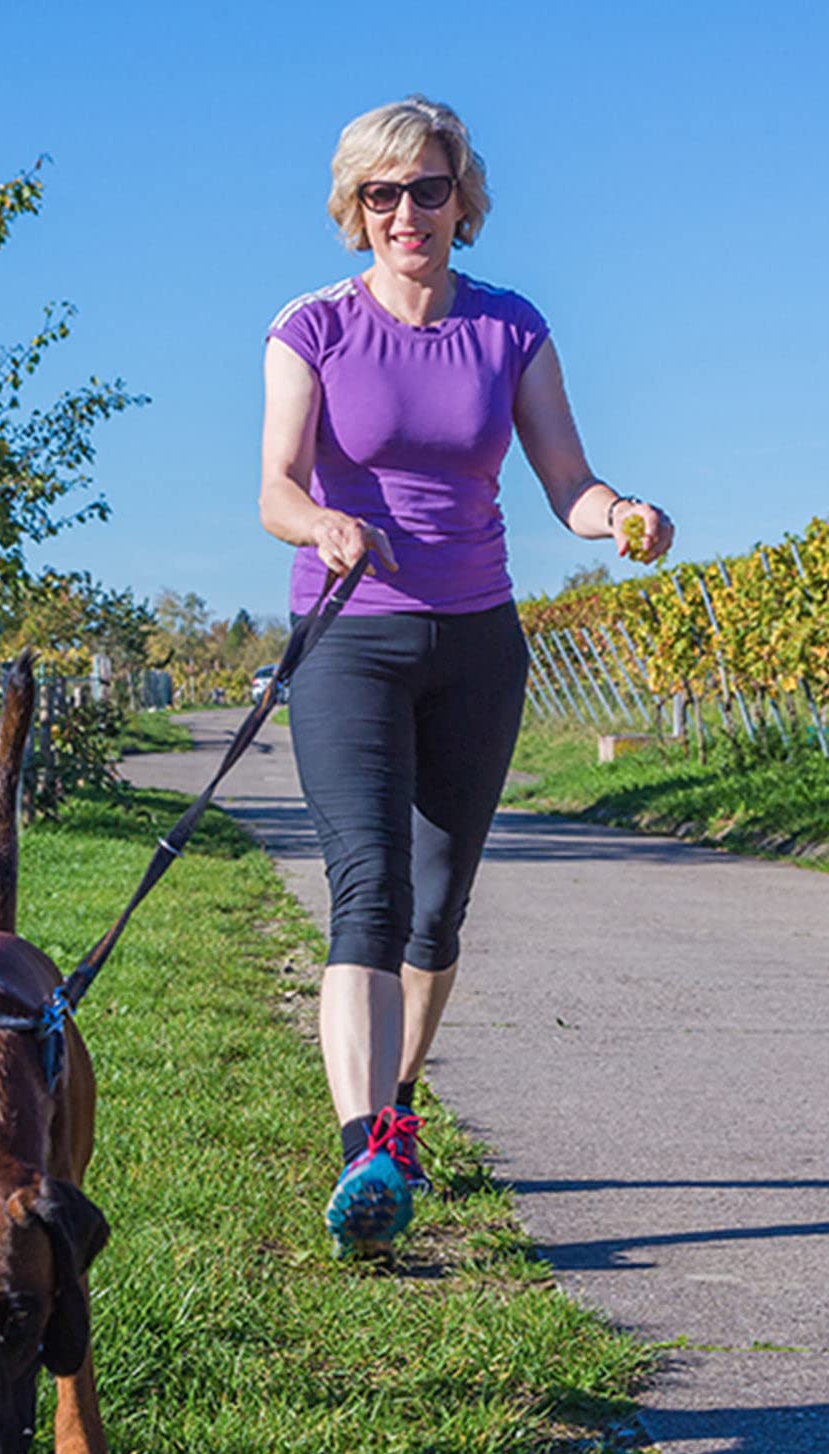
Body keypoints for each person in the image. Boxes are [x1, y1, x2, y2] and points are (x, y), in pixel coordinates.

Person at [258, 94, 674, 1260]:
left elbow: (567, 481)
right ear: (354, 208)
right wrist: (323, 526)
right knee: (368, 891)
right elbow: (274, 486)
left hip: (478, 642)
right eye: (380, 194)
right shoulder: (313, 327)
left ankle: (396, 1110)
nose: (405, 213)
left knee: (435, 913)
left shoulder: (509, 329)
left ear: (461, 199)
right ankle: (364, 1150)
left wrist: (621, 516)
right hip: (350, 636)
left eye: (426, 190)